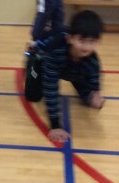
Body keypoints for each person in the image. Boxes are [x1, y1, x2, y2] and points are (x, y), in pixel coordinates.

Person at [39, 10, 105, 143]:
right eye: (81, 40)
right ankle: (30, 64)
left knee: (87, 96)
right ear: (70, 38)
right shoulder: (55, 53)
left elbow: (94, 80)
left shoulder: (92, 60)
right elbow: (51, 89)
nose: (86, 47)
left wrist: (94, 95)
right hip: (42, 62)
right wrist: (55, 125)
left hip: (71, 68)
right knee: (34, 94)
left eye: (92, 42)